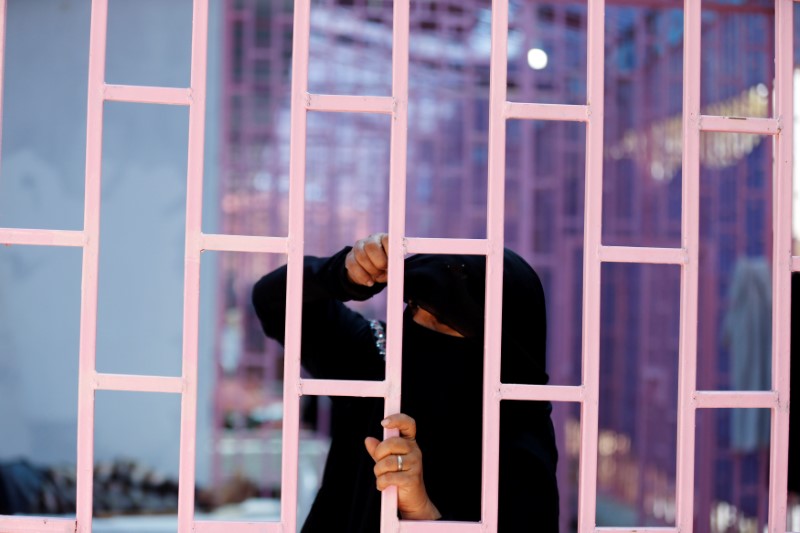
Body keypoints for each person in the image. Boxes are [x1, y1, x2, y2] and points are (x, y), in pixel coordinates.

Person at [252, 233, 559, 532]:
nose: (416, 327)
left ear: (501, 347)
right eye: (413, 306)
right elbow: (273, 300)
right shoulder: (380, 361)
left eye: (442, 320)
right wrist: (345, 274)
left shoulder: (520, 444)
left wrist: (422, 515)